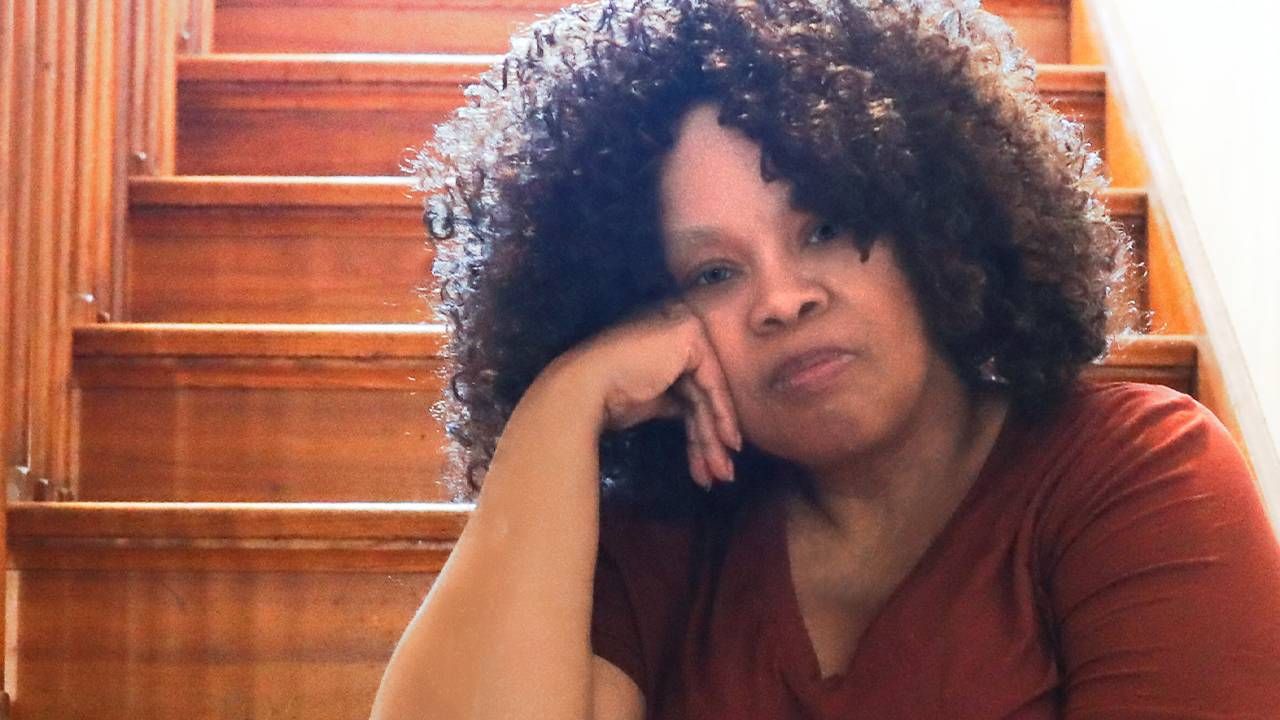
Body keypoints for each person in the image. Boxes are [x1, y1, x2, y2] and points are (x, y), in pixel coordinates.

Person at [370, 0, 1280, 717]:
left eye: (827, 226)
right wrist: (562, 404)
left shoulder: (1136, 474)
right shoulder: (665, 545)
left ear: (937, 223)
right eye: (716, 270)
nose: (781, 298)